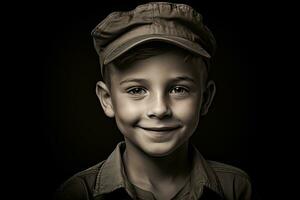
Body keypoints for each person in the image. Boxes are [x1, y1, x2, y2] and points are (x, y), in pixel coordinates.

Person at [54, 2, 256, 200]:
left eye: (178, 89)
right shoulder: (79, 193)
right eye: (136, 90)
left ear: (205, 98)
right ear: (107, 99)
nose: (159, 109)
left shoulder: (235, 189)